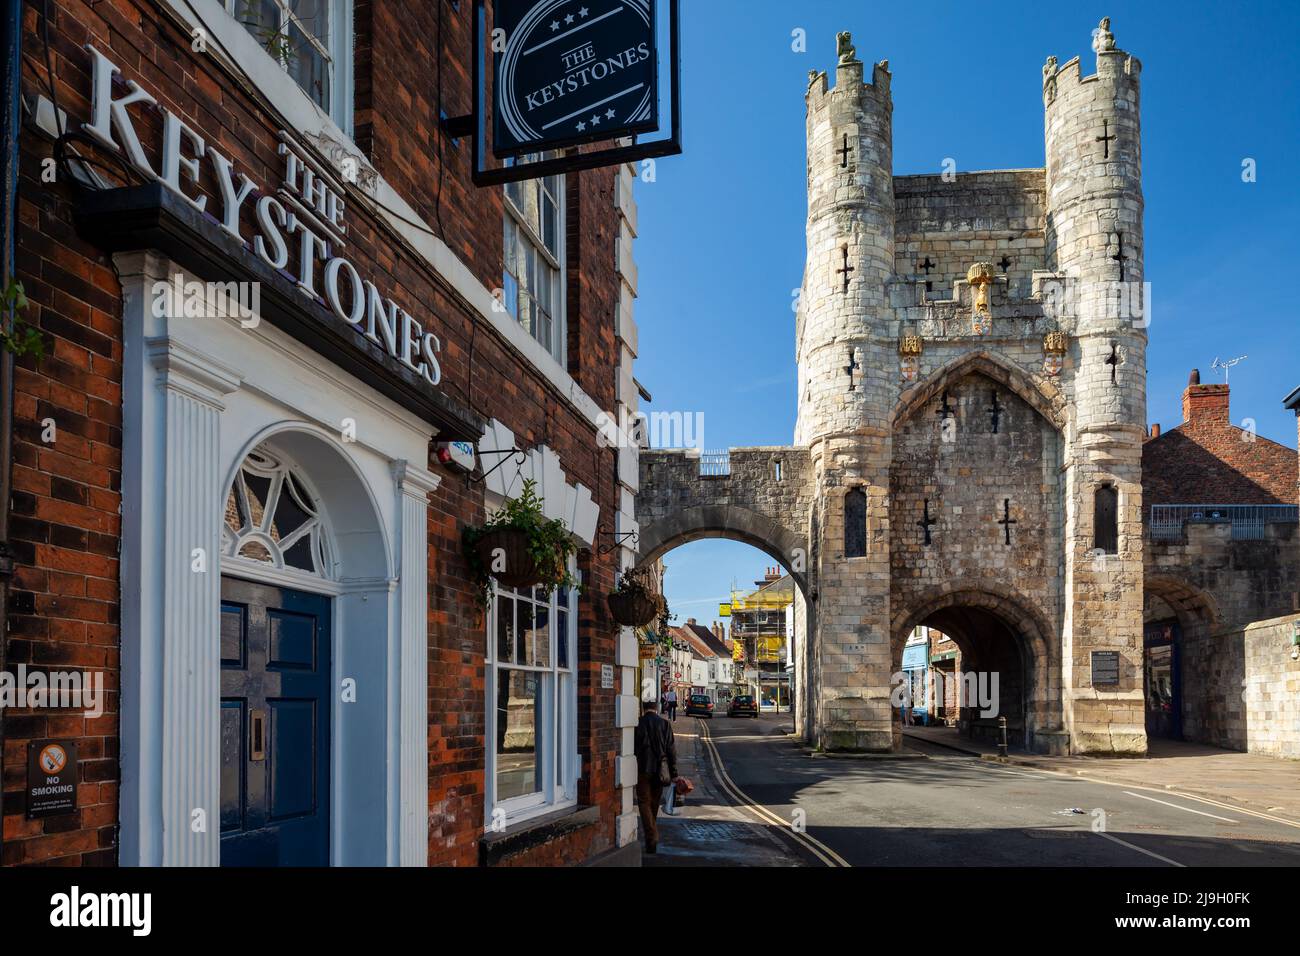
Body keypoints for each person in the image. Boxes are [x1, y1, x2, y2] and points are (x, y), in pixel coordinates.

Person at [633, 700, 678, 854]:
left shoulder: (637, 724)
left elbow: (633, 748)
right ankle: (651, 836)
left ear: (643, 709)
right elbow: (671, 750)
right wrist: (674, 774)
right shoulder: (664, 724)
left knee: (644, 802)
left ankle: (651, 836)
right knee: (653, 803)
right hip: (661, 770)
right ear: (656, 708)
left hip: (642, 769)